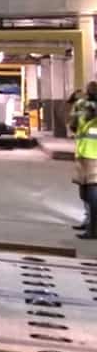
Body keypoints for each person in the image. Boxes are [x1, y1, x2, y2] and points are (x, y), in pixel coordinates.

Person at [71, 82, 97, 237]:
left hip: (91, 156)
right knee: (85, 193)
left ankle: (93, 229)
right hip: (83, 155)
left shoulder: (80, 105)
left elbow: (73, 125)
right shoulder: (80, 105)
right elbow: (74, 125)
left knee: (91, 194)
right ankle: (89, 222)